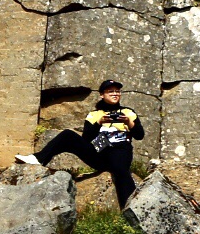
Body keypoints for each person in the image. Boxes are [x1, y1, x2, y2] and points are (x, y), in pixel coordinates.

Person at [15, 79, 145, 205]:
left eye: (117, 91)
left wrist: (128, 122)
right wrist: (99, 123)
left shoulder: (128, 112)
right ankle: (38, 158)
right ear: (102, 95)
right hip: (99, 154)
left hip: (120, 153)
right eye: (110, 91)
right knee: (67, 135)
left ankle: (130, 208)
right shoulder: (94, 114)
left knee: (121, 170)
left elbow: (140, 135)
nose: (115, 94)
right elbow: (86, 139)